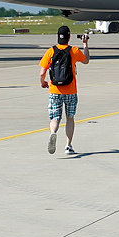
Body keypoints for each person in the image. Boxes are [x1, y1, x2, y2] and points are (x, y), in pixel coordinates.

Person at [38, 25, 89, 155]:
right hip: (70, 90)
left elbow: (42, 71)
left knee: (55, 118)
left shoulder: (50, 51)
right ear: (69, 36)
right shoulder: (74, 51)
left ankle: (53, 133)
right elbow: (86, 60)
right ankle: (68, 146)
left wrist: (43, 82)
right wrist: (85, 44)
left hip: (55, 90)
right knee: (70, 117)